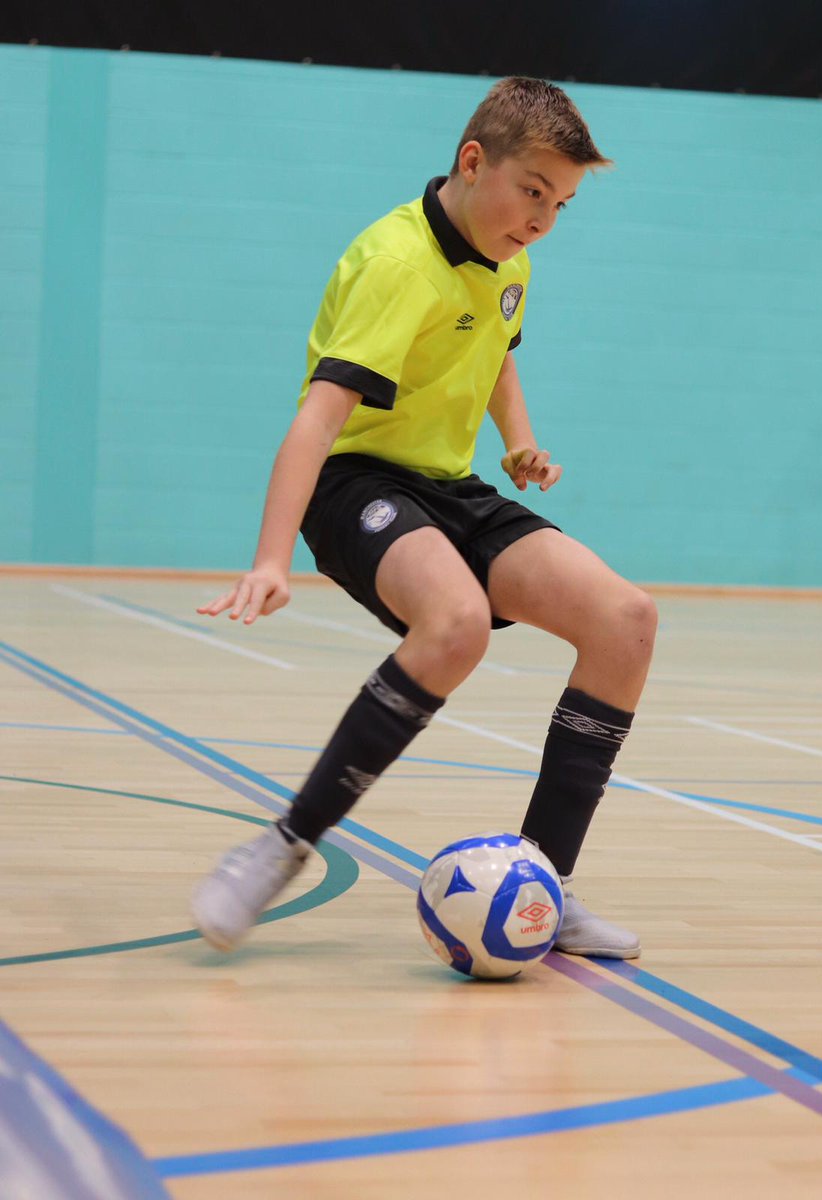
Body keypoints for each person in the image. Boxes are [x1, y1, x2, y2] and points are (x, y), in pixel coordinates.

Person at [191, 76, 657, 959]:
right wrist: (268, 558)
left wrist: (518, 444)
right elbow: (318, 419)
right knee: (455, 625)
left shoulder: (509, 260)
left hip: (447, 485)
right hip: (354, 481)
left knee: (625, 621)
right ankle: (281, 844)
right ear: (472, 161)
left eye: (559, 204)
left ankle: (544, 891)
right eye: (532, 192)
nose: (542, 219)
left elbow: (497, 355)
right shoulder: (398, 262)